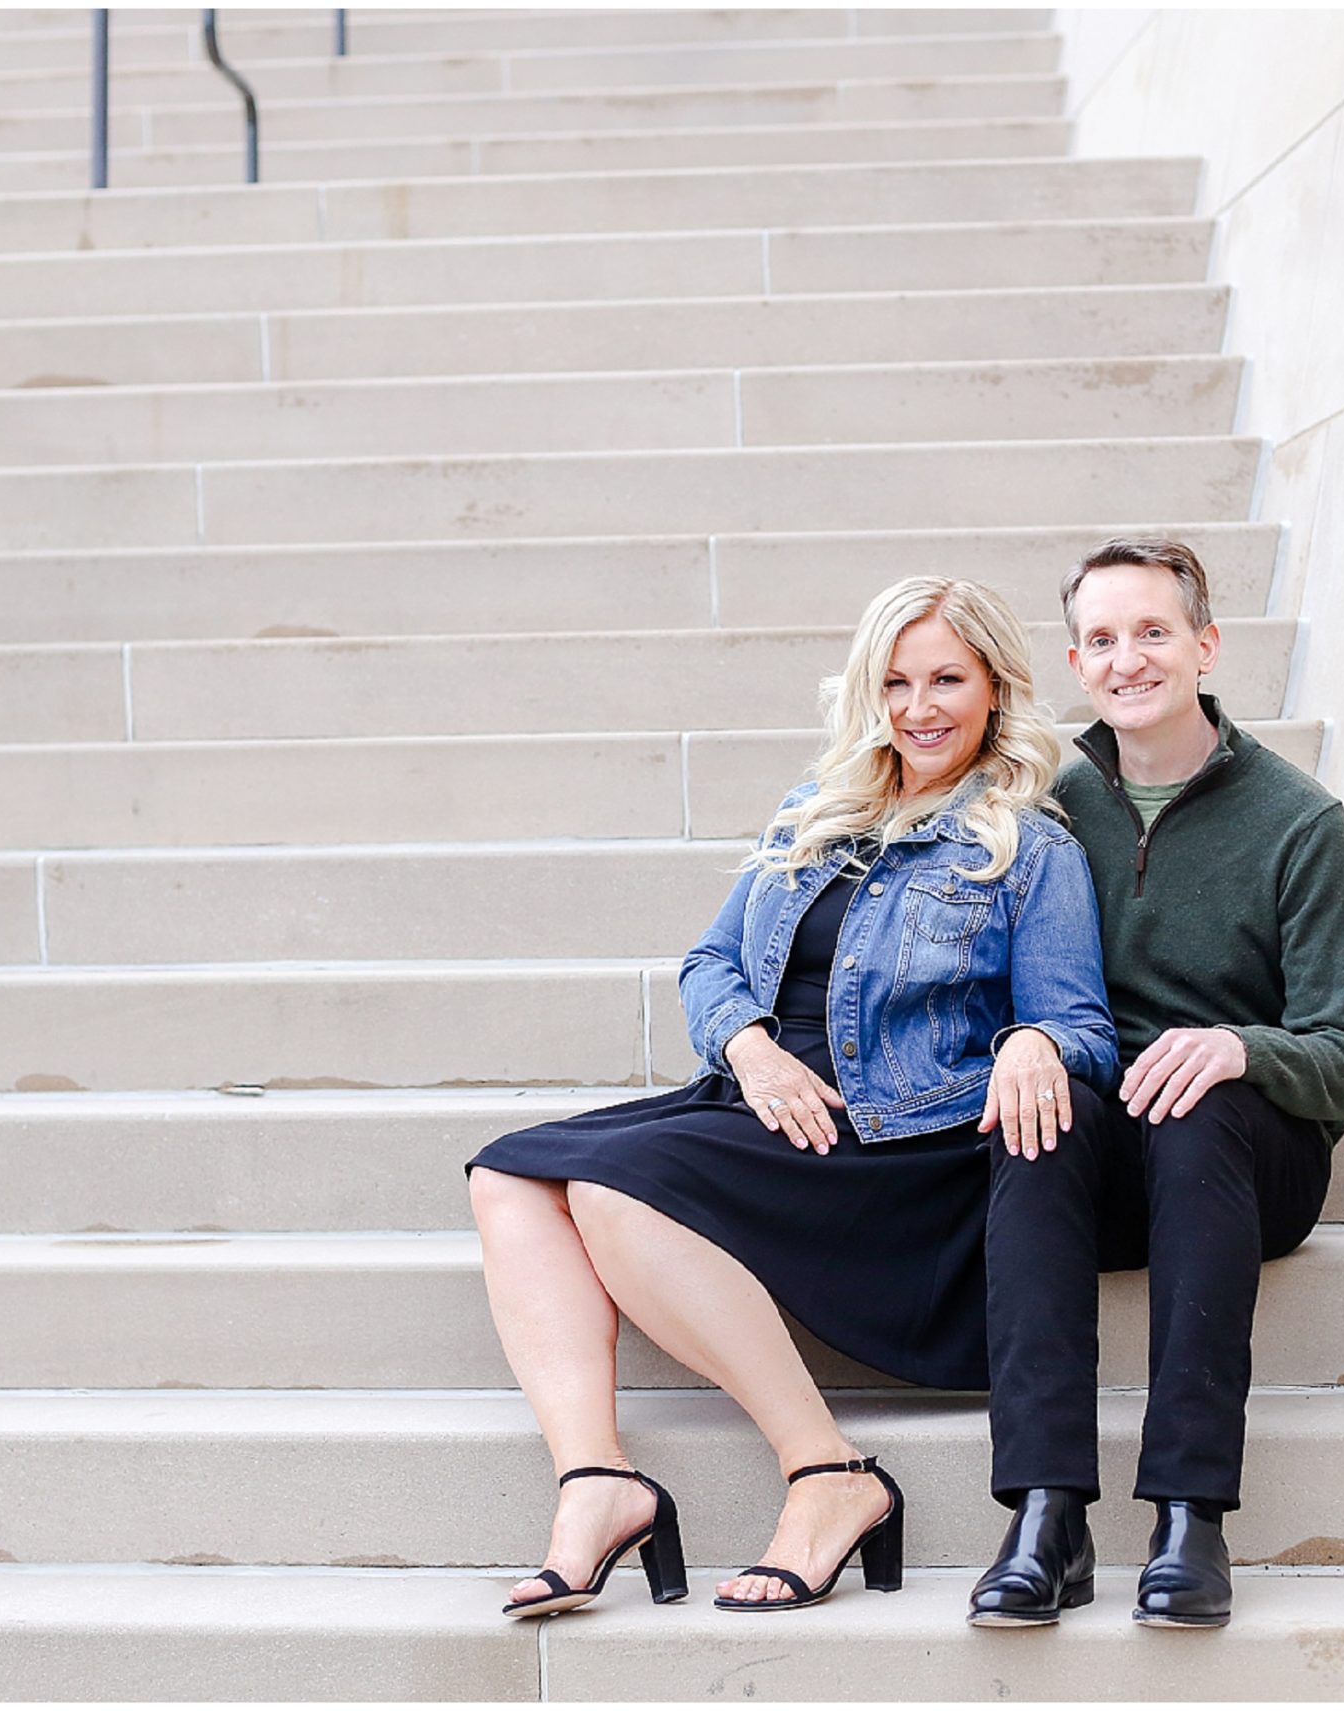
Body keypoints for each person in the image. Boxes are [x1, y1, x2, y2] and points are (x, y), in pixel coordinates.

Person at [467, 576, 1116, 1619]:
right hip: (764, 1096)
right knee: (508, 1174)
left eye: (947, 677)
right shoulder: (816, 808)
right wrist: (750, 1046)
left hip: (896, 1137)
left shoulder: (1024, 842)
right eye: (896, 681)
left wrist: (1034, 1038)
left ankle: (826, 1474)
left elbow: (1084, 1025)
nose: (920, 707)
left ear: (996, 685)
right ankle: (596, 1483)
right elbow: (712, 962)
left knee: (608, 1189)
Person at [967, 537, 1344, 1630]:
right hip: (1105, 1152)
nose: (1128, 658)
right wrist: (1026, 1040)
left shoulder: (1300, 823)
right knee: (1031, 1120)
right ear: (1074, 660)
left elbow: (1343, 1054)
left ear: (1204, 644)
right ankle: (1047, 1512)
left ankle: (1191, 1511)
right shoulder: (1043, 805)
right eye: (1101, 639)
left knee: (1198, 1106)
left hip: (1246, 1160)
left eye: (1152, 631)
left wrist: (1241, 1046)